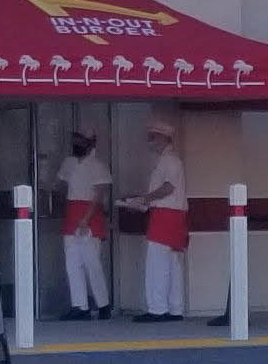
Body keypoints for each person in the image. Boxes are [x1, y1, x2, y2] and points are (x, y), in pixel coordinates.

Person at [127, 121, 189, 322]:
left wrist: (145, 199)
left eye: (153, 137)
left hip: (165, 215)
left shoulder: (170, 161)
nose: (150, 141)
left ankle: (157, 308)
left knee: (157, 263)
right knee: (173, 264)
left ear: (164, 138)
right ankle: (175, 308)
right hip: (173, 216)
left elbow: (168, 188)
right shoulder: (169, 160)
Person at [53, 129, 113, 320]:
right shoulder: (68, 163)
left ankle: (103, 304)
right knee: (73, 264)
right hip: (72, 216)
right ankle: (79, 305)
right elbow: (59, 185)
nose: (77, 144)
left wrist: (85, 219)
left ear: (91, 143)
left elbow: (99, 195)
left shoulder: (98, 166)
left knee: (92, 263)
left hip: (90, 219)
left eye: (81, 141)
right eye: (75, 140)